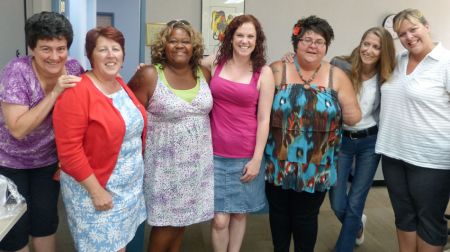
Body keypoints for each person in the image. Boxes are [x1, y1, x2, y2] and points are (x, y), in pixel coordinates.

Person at [265, 16, 361, 252]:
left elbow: (353, 118)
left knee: (306, 217)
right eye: (307, 39)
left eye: (320, 41)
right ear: (295, 43)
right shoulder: (277, 70)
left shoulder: (336, 75)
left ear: (326, 46)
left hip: (316, 164)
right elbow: (256, 111)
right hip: (278, 160)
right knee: (278, 214)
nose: (313, 45)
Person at [52, 26, 147, 252]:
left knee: (120, 245)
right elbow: (69, 152)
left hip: (127, 190)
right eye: (102, 49)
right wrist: (96, 191)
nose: (111, 54)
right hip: (97, 189)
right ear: (91, 55)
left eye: (116, 49)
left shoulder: (120, 84)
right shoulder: (76, 92)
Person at [0, 11, 83, 252]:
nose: (55, 57)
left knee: (45, 225)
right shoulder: (17, 72)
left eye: (61, 48)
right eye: (46, 49)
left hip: (46, 162)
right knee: (14, 232)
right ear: (32, 48)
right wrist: (55, 92)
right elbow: (18, 129)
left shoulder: (75, 69)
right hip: (8, 163)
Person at [128, 20, 213, 252]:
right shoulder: (149, 75)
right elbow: (126, 117)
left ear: (193, 46)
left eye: (185, 41)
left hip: (197, 165)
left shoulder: (204, 73)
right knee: (165, 225)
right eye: (173, 41)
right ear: (163, 45)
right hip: (165, 167)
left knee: (181, 223)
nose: (179, 46)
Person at [375, 8, 450, 252]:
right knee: (403, 215)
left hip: (431, 159)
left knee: (429, 221)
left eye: (413, 29)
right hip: (393, 153)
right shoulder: (398, 61)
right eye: (402, 34)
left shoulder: (446, 63)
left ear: (426, 26)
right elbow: (361, 62)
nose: (408, 37)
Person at [201, 14, 275, 252]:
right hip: (214, 154)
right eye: (240, 35)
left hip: (246, 155)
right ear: (230, 38)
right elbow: (181, 64)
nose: (245, 41)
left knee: (240, 215)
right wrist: (153, 68)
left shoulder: (263, 73)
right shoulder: (214, 63)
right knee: (220, 219)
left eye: (250, 36)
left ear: (257, 40)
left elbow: (264, 119)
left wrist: (256, 159)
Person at [328, 27, 395, 252]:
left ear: (383, 51)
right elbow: (314, 70)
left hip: (370, 142)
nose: (368, 50)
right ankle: (357, 226)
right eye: (366, 43)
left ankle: (343, 247)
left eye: (376, 47)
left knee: (356, 200)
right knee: (337, 202)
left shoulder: (387, 75)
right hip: (342, 141)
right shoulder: (340, 65)